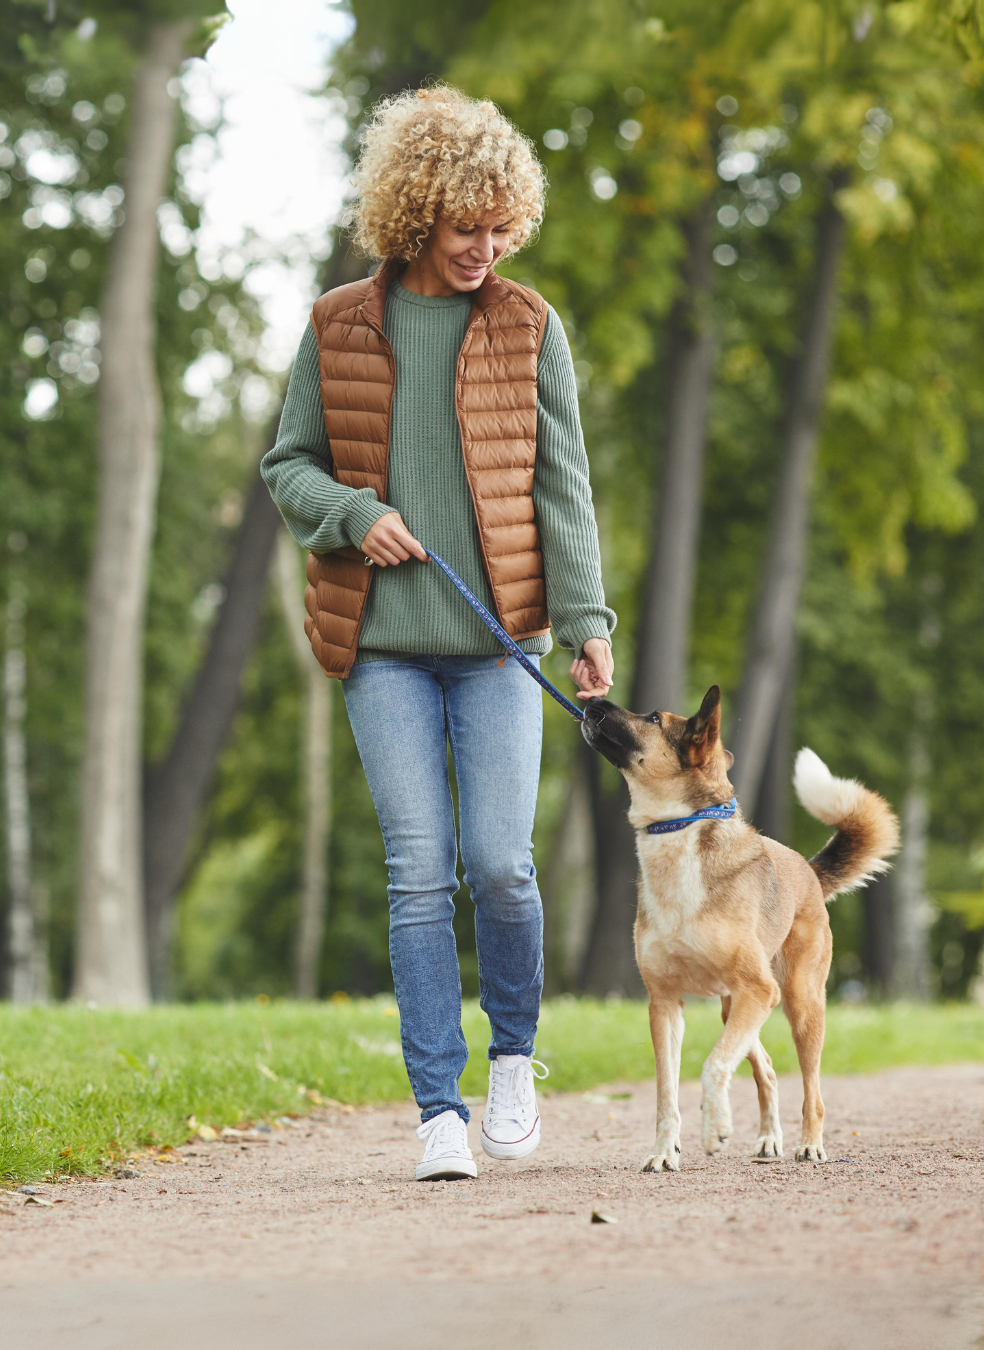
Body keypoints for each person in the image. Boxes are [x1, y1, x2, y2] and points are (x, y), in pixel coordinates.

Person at [262, 86, 615, 1181]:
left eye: (504, 227)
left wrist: (588, 620)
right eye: (469, 228)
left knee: (503, 866)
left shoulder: (529, 326)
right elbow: (288, 465)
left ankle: (513, 1058)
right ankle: (437, 1112)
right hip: (382, 646)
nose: (487, 248)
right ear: (417, 214)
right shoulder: (339, 324)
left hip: (502, 642)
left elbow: (564, 488)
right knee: (419, 871)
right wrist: (354, 514)